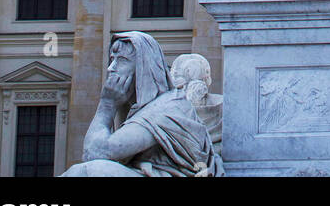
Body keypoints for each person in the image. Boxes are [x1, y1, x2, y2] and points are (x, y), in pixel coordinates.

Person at [60, 32, 219, 177]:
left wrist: (107, 105)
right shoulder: (142, 108)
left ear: (144, 67)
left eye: (121, 60)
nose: (110, 68)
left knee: (85, 172)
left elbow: (95, 152)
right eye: (112, 59)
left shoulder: (167, 108)